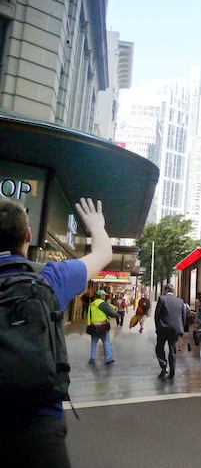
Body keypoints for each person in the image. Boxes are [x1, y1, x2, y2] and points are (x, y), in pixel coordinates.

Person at [0, 197, 112, 467]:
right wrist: (96, 226)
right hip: (40, 425)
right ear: (27, 236)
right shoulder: (49, 278)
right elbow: (103, 254)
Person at [154, 283, 186, 379]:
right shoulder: (180, 301)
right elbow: (183, 316)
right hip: (175, 330)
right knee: (172, 350)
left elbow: (157, 315)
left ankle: (164, 366)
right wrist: (181, 329)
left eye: (164, 289)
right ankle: (172, 370)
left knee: (159, 348)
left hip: (163, 329)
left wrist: (157, 327)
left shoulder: (162, 299)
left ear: (166, 289)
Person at [87, 289, 119, 364]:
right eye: (104, 295)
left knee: (94, 343)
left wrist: (88, 326)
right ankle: (108, 358)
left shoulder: (92, 304)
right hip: (102, 326)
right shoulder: (102, 304)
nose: (104, 297)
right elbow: (110, 312)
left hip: (93, 326)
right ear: (101, 296)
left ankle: (92, 358)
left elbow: (89, 316)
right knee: (106, 342)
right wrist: (117, 315)